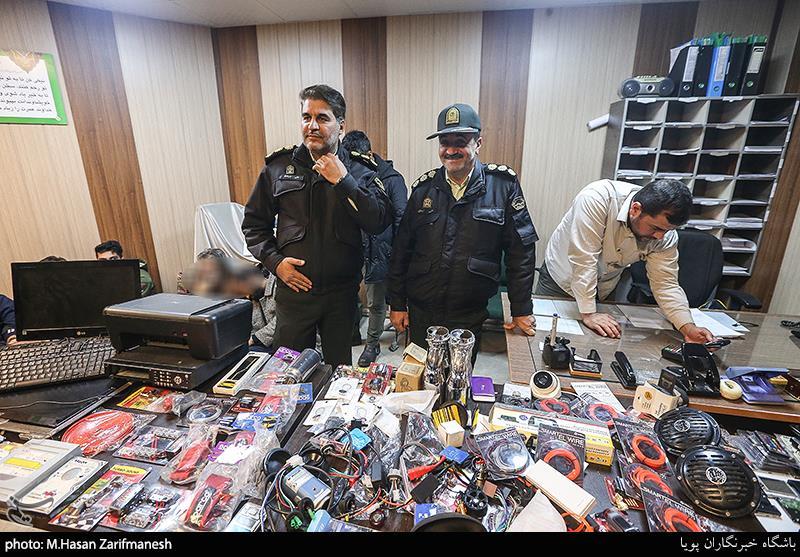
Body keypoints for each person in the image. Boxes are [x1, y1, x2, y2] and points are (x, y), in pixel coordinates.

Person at [242, 84, 392, 367]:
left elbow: (378, 222)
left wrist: (344, 181)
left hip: (341, 295)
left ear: (341, 126)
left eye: (322, 118)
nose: (312, 125)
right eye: (306, 117)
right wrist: (276, 263)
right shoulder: (278, 167)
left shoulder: (360, 170)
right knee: (288, 370)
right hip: (294, 292)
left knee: (337, 371)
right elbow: (253, 225)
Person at [387, 103, 538, 360]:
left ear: (478, 143)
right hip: (422, 309)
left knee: (459, 375)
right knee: (420, 374)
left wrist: (521, 308)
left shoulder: (503, 187)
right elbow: (402, 251)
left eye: (460, 142)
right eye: (444, 142)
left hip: (469, 312)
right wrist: (397, 303)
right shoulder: (423, 190)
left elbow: (520, 252)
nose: (450, 150)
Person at [536, 178, 715, 343]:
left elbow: (666, 284)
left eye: (667, 231)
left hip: (604, 286)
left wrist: (687, 327)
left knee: (597, 344)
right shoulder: (597, 198)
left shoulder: (664, 236)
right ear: (635, 209)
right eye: (655, 228)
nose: (660, 237)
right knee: (544, 341)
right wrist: (589, 313)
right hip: (561, 279)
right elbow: (584, 259)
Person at [341, 130, 408, 366]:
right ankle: (353, 333)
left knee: (375, 301)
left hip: (382, 250)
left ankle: (372, 345)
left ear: (369, 154)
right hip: (354, 249)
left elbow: (401, 220)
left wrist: (398, 256)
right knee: (349, 295)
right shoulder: (347, 173)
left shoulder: (392, 179)